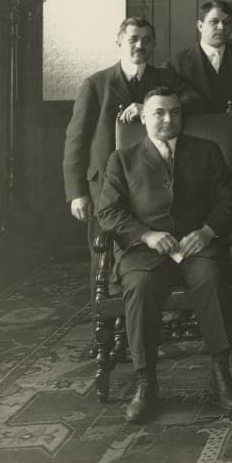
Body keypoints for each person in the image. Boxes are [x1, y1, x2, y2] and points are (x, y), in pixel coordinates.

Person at [96, 86, 232, 423]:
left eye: (174, 112)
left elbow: (228, 200)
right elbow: (108, 213)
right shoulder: (123, 159)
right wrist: (146, 235)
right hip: (145, 252)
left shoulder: (206, 151)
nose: (167, 119)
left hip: (197, 245)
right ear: (144, 117)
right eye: (159, 113)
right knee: (142, 287)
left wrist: (207, 231)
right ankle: (146, 381)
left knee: (211, 278)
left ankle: (221, 370)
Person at [63, 17, 185, 284]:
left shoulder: (165, 78)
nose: (140, 45)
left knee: (146, 256)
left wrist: (150, 108)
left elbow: (195, 101)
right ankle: (103, 317)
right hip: (105, 185)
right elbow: (76, 140)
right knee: (103, 254)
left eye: (146, 40)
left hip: (149, 184)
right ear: (119, 41)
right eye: (133, 39)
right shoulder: (96, 84)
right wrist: (77, 192)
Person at [165, 0, 232, 116]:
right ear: (200, 26)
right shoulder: (176, 65)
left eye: (226, 22)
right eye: (214, 22)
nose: (221, 27)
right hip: (197, 131)